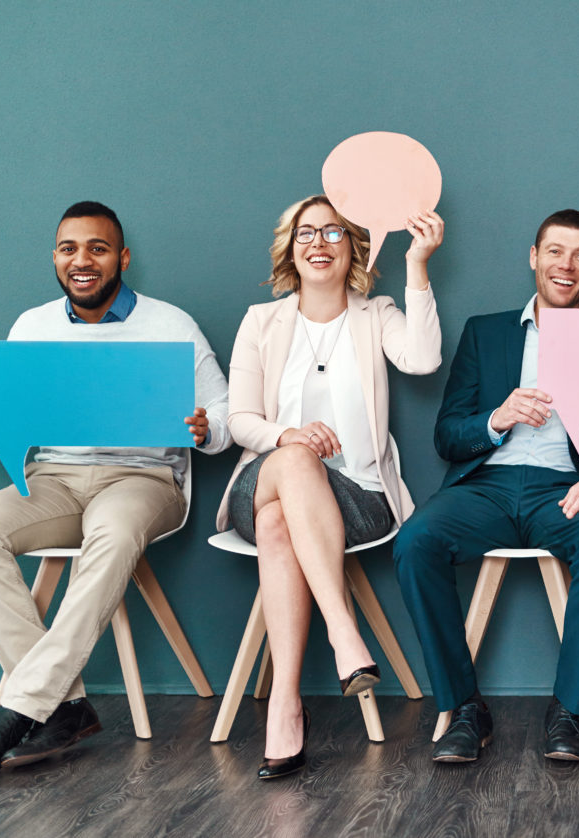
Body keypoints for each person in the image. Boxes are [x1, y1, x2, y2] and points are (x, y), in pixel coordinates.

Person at [0, 201, 232, 778]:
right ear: (55, 258)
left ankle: (23, 707)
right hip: (54, 478)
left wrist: (206, 427)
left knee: (115, 528)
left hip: (143, 478)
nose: (83, 260)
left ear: (121, 258)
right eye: (69, 249)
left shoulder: (171, 323)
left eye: (98, 248)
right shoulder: (32, 326)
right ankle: (64, 704)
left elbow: (225, 420)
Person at [394, 209, 579, 765]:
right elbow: (447, 437)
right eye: (555, 251)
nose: (566, 264)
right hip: (487, 487)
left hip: (565, 489)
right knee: (416, 542)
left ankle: (568, 712)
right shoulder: (486, 332)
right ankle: (463, 709)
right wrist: (496, 418)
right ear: (534, 257)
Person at [219, 195, 443, 780]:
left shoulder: (378, 314)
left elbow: (422, 360)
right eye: (306, 234)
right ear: (290, 250)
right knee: (292, 463)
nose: (318, 243)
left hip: (359, 497)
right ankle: (344, 633)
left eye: (334, 233)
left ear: (355, 249)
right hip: (263, 480)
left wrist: (419, 263)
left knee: (278, 526)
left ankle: (286, 707)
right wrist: (289, 435)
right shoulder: (260, 321)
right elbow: (241, 419)